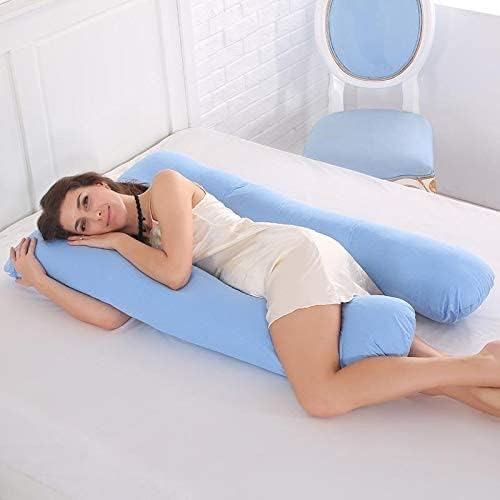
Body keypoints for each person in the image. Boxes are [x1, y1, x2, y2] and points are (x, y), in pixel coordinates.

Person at [9, 168, 500, 418]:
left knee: (320, 396)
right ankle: (484, 370)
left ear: (99, 182)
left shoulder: (164, 186)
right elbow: (113, 317)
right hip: (292, 264)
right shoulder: (139, 248)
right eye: (84, 225)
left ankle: (480, 366)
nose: (95, 217)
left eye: (87, 201)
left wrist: (116, 242)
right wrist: (42, 282)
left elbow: (176, 273)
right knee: (427, 368)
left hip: (287, 261)